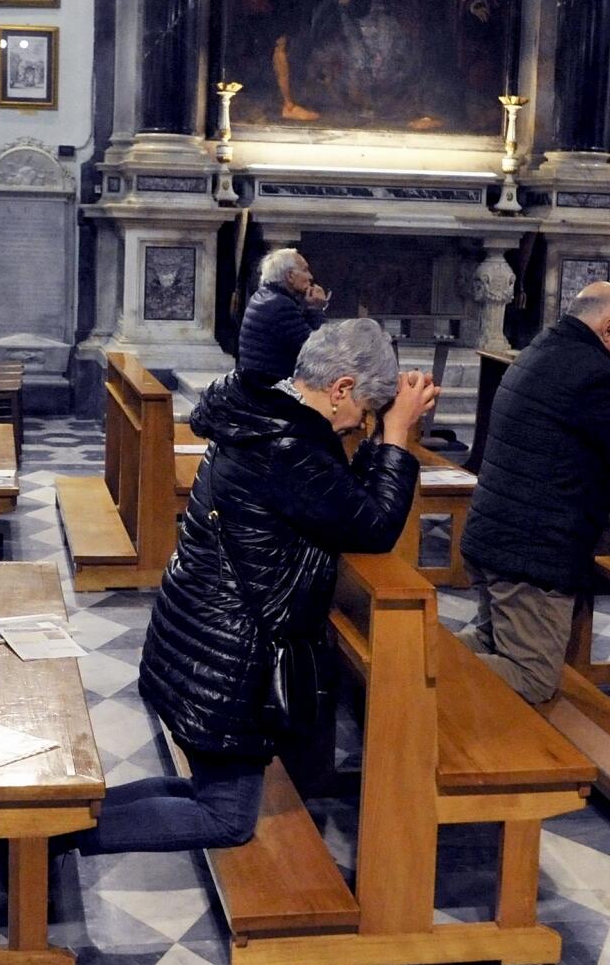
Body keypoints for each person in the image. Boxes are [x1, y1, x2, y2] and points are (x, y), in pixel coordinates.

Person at [66, 320, 436, 856]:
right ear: (341, 390)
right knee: (226, 817)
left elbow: (340, 501)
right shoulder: (289, 446)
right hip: (229, 654)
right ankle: (48, 834)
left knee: (209, 792)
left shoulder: (263, 416)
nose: (361, 426)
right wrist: (397, 437)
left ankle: (52, 824)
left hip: (202, 631)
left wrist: (382, 436)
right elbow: (373, 527)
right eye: (363, 413)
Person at [458, 283, 610, 705]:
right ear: (607, 327)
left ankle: (421, 668)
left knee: (489, 638)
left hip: (495, 536)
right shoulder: (593, 374)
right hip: (530, 551)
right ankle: (416, 678)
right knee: (532, 675)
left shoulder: (542, 349)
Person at [236, 247, 330, 382]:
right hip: (271, 390)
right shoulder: (281, 306)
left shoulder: (264, 295)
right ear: (290, 276)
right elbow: (318, 350)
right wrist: (316, 308)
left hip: (257, 383)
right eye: (305, 270)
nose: (310, 276)